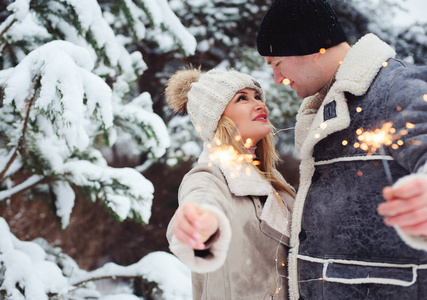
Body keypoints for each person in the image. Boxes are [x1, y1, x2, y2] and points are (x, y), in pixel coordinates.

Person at [256, 0, 427, 299]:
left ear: (305, 46)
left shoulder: (393, 89)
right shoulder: (335, 102)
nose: (277, 79)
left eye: (277, 63)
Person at [165, 68, 295, 299]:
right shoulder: (210, 175)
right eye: (242, 98)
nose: (258, 104)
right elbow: (201, 199)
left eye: (257, 96)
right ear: (216, 117)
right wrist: (199, 223)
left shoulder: (274, 183)